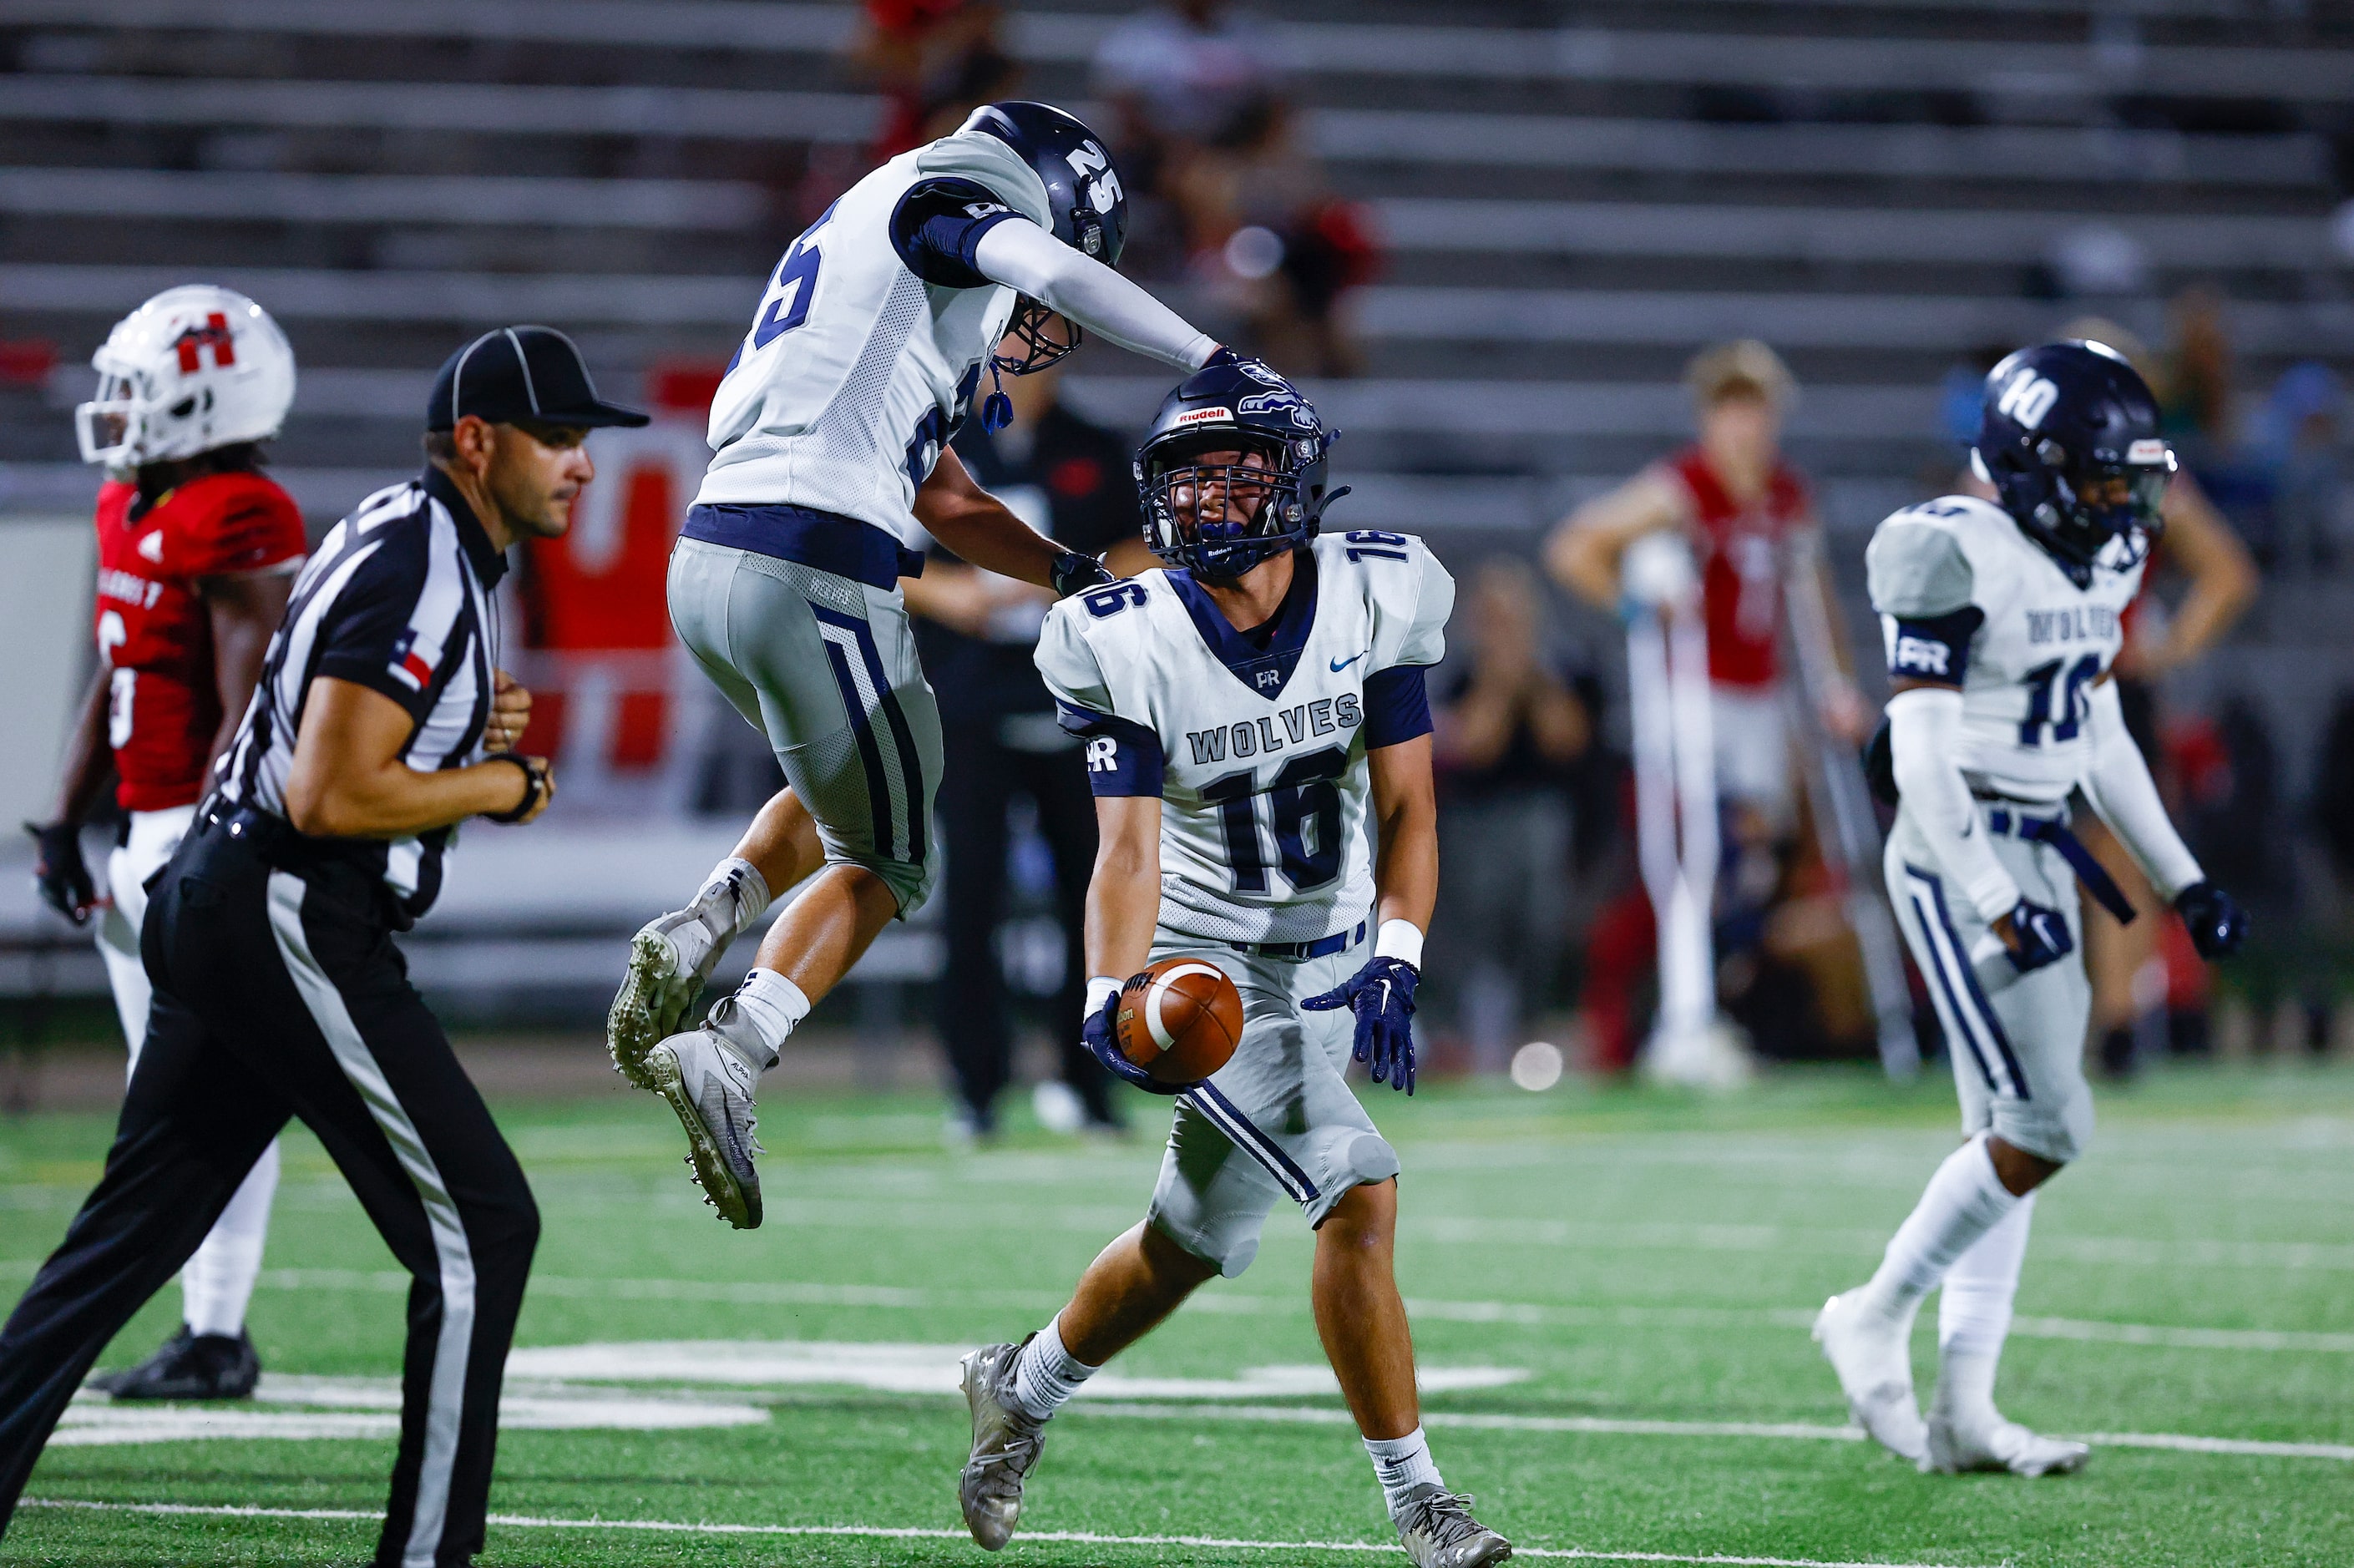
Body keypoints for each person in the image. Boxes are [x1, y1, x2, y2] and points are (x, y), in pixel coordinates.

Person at [0, 324, 639, 1567]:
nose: (581, 464)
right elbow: (330, 795)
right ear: (477, 441)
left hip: (223, 895)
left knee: (115, 1246)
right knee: (484, 1225)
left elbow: (325, 730)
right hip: (286, 903)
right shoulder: (424, 559)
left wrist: (460, 746)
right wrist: (495, 785)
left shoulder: (413, 531)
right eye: (557, 437)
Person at [605, 100, 1243, 1230]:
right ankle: (737, 1044)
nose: (1039, 314)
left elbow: (946, 498)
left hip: (712, 557)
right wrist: (1211, 358)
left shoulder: (867, 261)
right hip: (812, 556)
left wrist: (1067, 571)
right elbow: (1042, 262)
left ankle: (703, 919)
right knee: (892, 861)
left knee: (846, 772)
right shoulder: (948, 194)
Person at [953, 362, 1511, 1567]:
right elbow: (1126, 848)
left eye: (1233, 472)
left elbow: (1408, 803)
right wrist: (1110, 994)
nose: (1205, 499)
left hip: (1337, 955)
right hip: (1207, 977)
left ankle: (1020, 1387)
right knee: (1356, 1191)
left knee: (1186, 1240)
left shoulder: (1375, 590)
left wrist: (1399, 957)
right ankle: (1421, 1500)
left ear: (1291, 478)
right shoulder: (1125, 635)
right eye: (1186, 477)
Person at [1817, 341, 2248, 1477]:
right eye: (2102, 476)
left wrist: (2182, 878)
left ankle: (1962, 1407)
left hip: (2041, 847)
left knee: (2007, 1131)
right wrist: (1994, 897)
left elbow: (2093, 733)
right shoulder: (1951, 551)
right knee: (2044, 1123)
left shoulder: (2097, 561)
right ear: (2033, 469)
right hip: (1958, 855)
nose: (2124, 499)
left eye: (2129, 475)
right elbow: (1915, 752)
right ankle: (1870, 1311)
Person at [23, 286, 306, 1400]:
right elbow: (119, 669)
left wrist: (208, 843)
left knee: (206, 1098)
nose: (118, 410)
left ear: (204, 396)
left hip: (194, 837)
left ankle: (211, 1328)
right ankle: (206, 1331)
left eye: (139, 390)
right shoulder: (129, 505)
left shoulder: (238, 511)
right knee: (168, 1093)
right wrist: (63, 815)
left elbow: (248, 700)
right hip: (138, 839)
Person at [904, 355, 1153, 1141]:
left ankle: (1094, 1079)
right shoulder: (935, 440)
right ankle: (976, 1088)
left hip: (1077, 699)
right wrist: (953, 594)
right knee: (972, 896)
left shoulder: (1094, 442)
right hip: (969, 699)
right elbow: (873, 549)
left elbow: (1148, 548)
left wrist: (1070, 582)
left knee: (1097, 889)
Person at [1547, 338, 1863, 827]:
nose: (1742, 426)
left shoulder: (1788, 496)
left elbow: (1818, 601)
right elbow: (1573, 548)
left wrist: (1837, 685)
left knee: (1766, 840)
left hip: (1763, 692)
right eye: (1729, 409)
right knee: (1704, 833)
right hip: (1696, 691)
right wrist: (1637, 607)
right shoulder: (1682, 488)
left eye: (1753, 409)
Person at [1427, 559, 1590, 1071]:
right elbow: (1475, 745)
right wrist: (1500, 679)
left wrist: (1531, 676)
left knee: (1541, 920)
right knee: (1467, 925)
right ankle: (1458, 1036)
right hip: (1475, 821)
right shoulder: (1463, 677)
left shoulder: (1564, 671)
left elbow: (1567, 741)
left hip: (1542, 816)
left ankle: (1534, 1029)